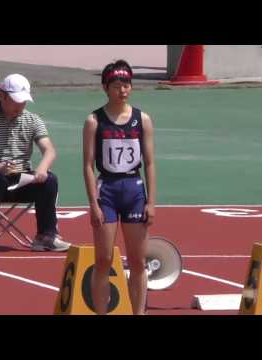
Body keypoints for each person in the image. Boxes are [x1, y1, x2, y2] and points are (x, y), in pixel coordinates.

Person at [82, 60, 156, 315]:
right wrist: (93, 204)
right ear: (105, 87)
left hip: (134, 190)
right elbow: (87, 165)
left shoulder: (142, 119)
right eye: (116, 85)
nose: (122, 90)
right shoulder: (94, 121)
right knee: (103, 260)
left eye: (126, 84)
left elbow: (149, 162)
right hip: (107, 191)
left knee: (137, 261)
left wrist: (151, 201)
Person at [0, 73, 71, 253]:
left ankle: (46, 236)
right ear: (2, 96)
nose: (20, 106)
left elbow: (49, 150)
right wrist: (0, 167)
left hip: (22, 180)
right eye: (16, 101)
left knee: (50, 180)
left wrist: (41, 168)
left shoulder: (32, 120)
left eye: (23, 101)